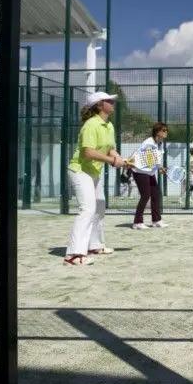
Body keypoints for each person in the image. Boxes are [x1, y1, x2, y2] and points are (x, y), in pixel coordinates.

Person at [64, 91, 128, 266]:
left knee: (99, 207)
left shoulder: (109, 125)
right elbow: (88, 152)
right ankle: (73, 255)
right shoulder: (91, 125)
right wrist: (113, 161)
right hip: (79, 171)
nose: (113, 103)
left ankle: (95, 246)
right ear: (100, 105)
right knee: (87, 209)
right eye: (109, 101)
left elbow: (110, 149)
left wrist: (122, 160)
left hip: (93, 172)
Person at [131, 122, 169, 230]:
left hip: (149, 172)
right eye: (163, 130)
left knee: (156, 194)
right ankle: (137, 222)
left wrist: (160, 167)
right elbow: (150, 159)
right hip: (139, 171)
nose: (166, 132)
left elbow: (156, 160)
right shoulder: (149, 142)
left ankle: (156, 221)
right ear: (157, 132)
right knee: (145, 195)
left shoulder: (160, 144)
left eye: (166, 130)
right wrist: (158, 167)